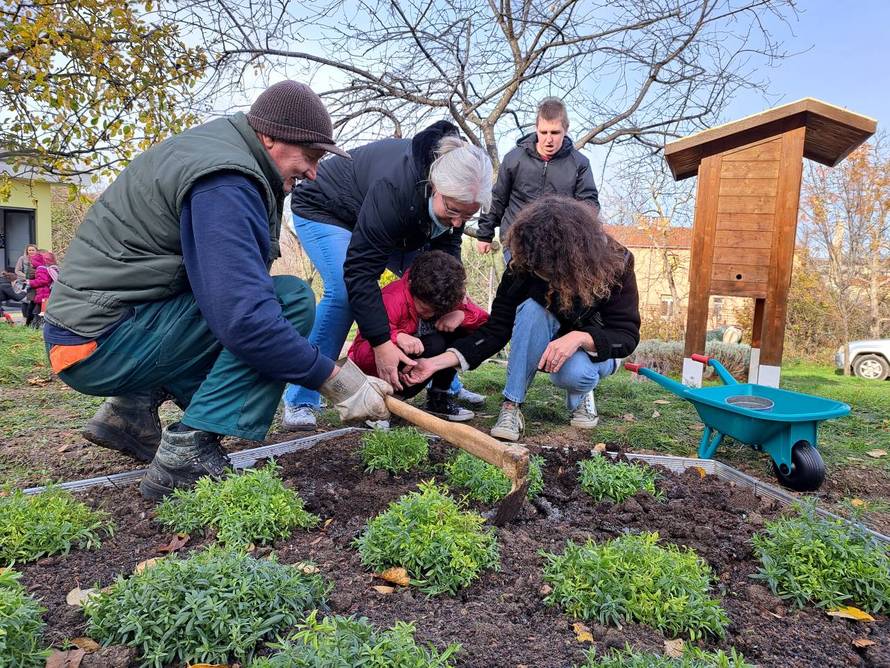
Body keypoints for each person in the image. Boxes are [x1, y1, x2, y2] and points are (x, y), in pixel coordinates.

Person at [43, 81, 392, 501]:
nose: (314, 172)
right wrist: (335, 381)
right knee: (290, 302)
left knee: (254, 303)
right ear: (271, 138)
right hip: (97, 344)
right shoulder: (227, 182)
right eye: (311, 156)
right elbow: (246, 320)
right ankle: (187, 452)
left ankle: (131, 409)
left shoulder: (223, 155)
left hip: (99, 327)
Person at [280, 120, 493, 431]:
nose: (458, 223)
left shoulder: (452, 200)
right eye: (452, 210)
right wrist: (382, 343)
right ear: (435, 186)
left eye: (467, 215)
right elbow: (360, 271)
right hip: (328, 208)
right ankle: (301, 396)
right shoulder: (396, 187)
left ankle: (444, 383)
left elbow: (446, 254)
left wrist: (455, 300)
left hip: (400, 224)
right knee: (344, 293)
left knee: (436, 291)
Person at [401, 195, 640, 442]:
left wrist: (580, 338)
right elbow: (495, 331)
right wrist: (434, 364)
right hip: (549, 343)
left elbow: (626, 336)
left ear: (567, 260)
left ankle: (582, 393)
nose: (540, 275)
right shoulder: (527, 262)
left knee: (574, 373)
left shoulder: (617, 262)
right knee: (532, 309)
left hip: (594, 350)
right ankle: (511, 405)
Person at [347, 250, 488, 421]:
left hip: (416, 371)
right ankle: (380, 406)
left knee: (459, 332)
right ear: (412, 287)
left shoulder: (447, 294)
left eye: (438, 310)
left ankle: (438, 398)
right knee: (435, 343)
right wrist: (394, 338)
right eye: (425, 308)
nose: (430, 315)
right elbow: (361, 353)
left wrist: (462, 316)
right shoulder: (392, 298)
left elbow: (487, 326)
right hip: (376, 375)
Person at [475, 97, 599, 260]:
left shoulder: (579, 164)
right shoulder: (514, 158)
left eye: (555, 133)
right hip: (516, 241)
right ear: (536, 128)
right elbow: (497, 197)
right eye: (543, 132)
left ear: (566, 129)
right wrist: (484, 234)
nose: (549, 139)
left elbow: (589, 206)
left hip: (558, 247)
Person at [27, 251, 59, 324]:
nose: (31, 264)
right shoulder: (49, 268)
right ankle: (37, 325)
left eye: (32, 262)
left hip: (43, 295)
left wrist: (30, 282)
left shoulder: (40, 268)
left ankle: (37, 326)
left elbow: (43, 280)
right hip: (45, 295)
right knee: (39, 312)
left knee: (39, 312)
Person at [14, 244, 38, 326]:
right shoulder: (22, 258)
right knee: (25, 301)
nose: (31, 251)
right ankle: (25, 319)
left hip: (34, 283)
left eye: (33, 250)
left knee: (32, 301)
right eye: (29, 250)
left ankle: (30, 320)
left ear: (36, 251)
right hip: (24, 283)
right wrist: (26, 277)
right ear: (27, 251)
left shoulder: (39, 259)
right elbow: (17, 270)